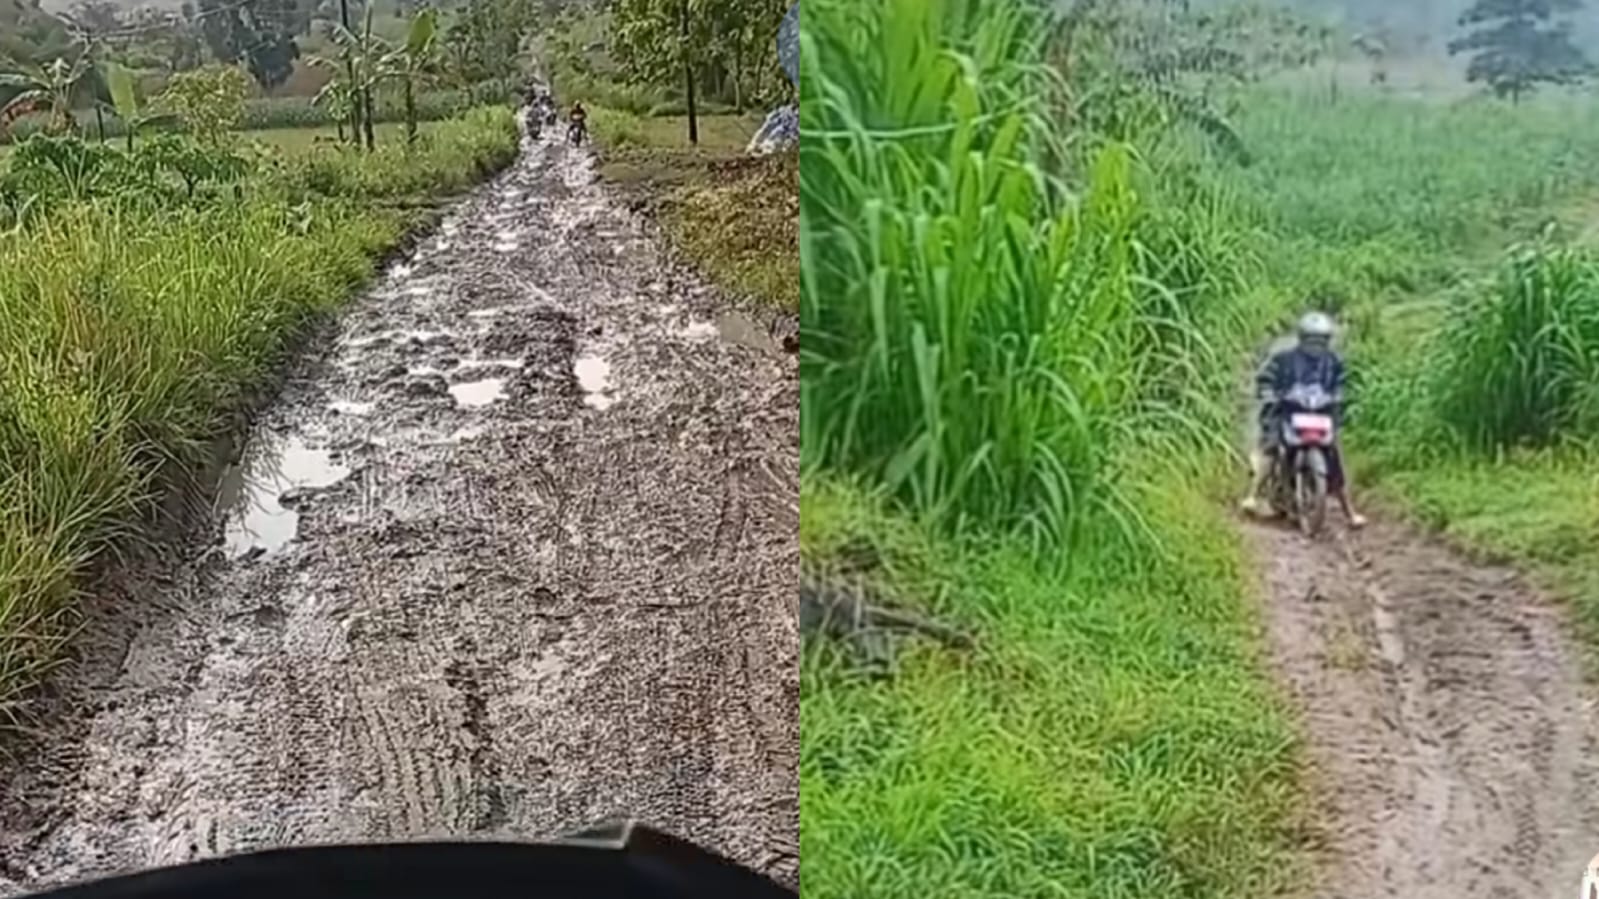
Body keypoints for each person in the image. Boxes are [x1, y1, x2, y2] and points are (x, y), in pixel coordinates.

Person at [1240, 310, 1367, 529]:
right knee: (1271, 445)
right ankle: (1253, 494)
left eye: (1321, 341)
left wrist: (1341, 396)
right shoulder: (1283, 359)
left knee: (1334, 454)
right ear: (1301, 338)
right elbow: (1265, 379)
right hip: (1284, 411)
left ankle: (1349, 511)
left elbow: (1344, 383)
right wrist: (1270, 394)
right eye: (1311, 340)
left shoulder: (1333, 361)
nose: (1316, 346)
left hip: (1319, 414)